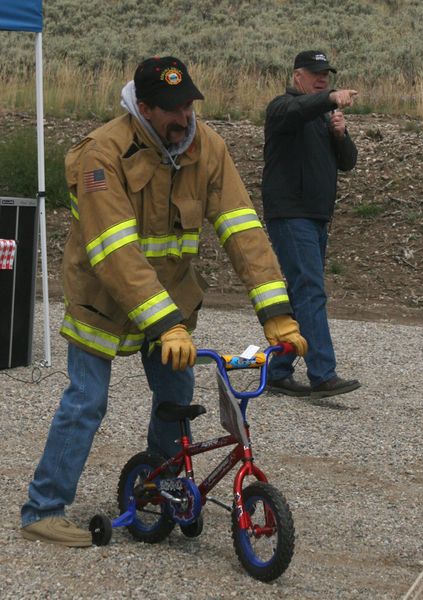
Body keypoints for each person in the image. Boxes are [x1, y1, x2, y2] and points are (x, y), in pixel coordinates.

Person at [20, 56, 308, 547]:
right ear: (144, 109)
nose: (185, 118)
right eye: (173, 109)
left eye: (189, 105)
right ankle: (42, 510)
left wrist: (277, 315)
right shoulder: (101, 154)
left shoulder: (206, 146)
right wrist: (164, 323)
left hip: (172, 303)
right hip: (103, 302)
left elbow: (242, 229)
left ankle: (158, 486)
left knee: (175, 404)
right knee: (87, 402)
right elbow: (115, 250)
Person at [262, 50, 361, 399]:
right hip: (291, 215)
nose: (322, 79)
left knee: (300, 293)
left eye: (326, 76)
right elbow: (298, 110)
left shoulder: (323, 116)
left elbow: (347, 162)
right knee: (310, 290)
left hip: (317, 217)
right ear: (297, 77)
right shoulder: (282, 109)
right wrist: (330, 99)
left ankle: (277, 370)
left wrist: (340, 134)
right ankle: (322, 374)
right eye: (315, 74)